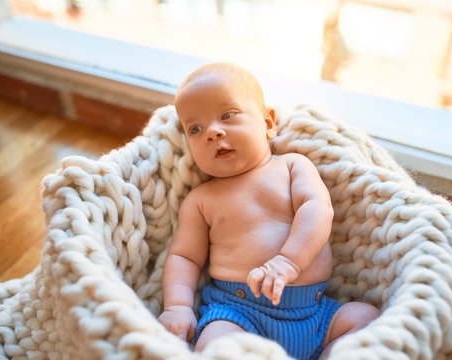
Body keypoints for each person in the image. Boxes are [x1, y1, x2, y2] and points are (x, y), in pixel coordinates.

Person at [158, 62, 379, 360]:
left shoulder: (291, 166)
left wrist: (289, 261)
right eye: (195, 129)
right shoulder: (201, 199)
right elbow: (184, 256)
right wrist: (178, 306)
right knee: (215, 344)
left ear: (268, 123)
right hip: (238, 314)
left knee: (366, 318)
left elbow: (317, 209)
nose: (212, 131)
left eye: (228, 115)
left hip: (317, 316)